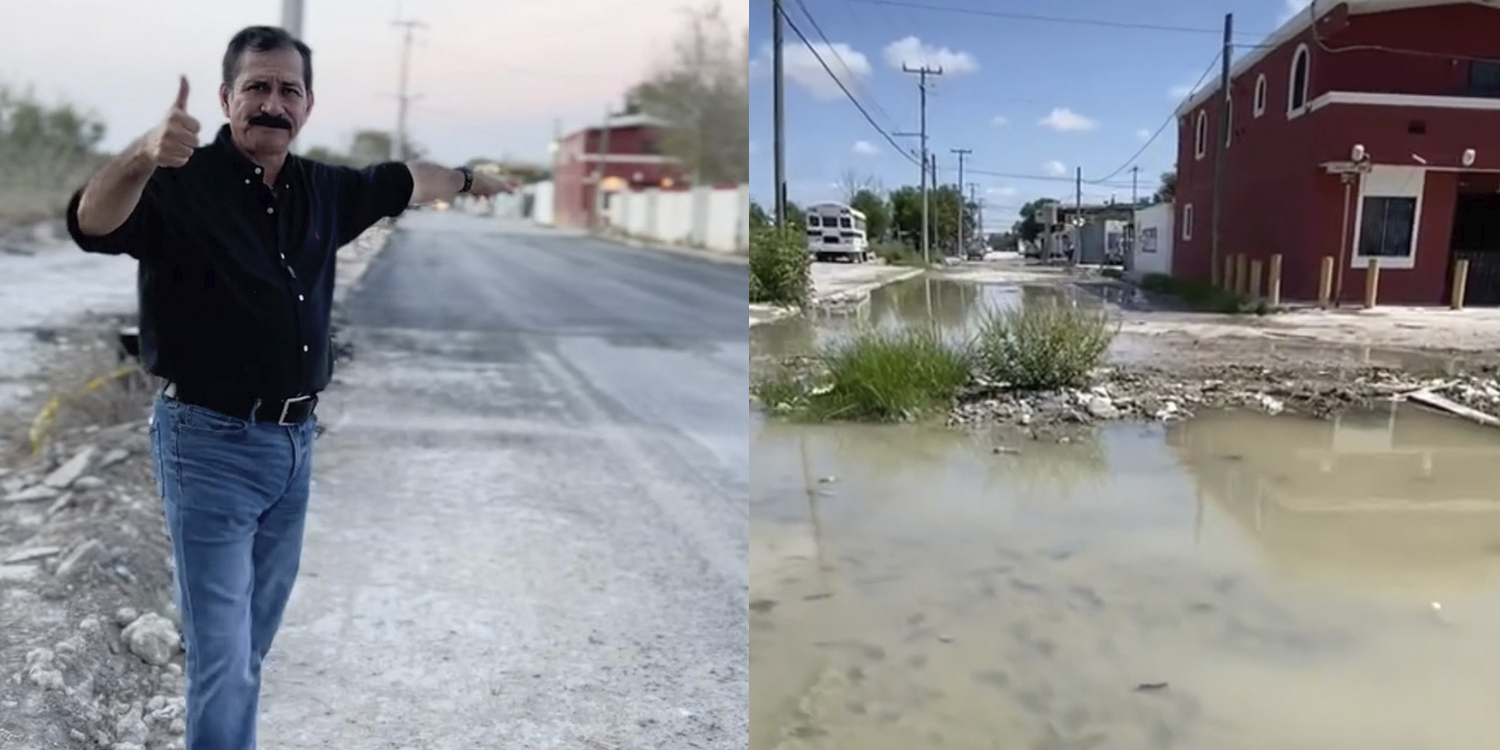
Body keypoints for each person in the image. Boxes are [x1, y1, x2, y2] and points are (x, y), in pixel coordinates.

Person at [65, 25, 510, 749]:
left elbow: (408, 179)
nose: (273, 103)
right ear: (226, 98)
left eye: (288, 90)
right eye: (257, 87)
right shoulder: (177, 184)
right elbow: (92, 222)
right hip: (206, 443)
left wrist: (467, 179)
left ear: (307, 105)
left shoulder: (325, 190)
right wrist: (143, 154)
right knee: (223, 658)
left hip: (294, 447)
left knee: (249, 648)